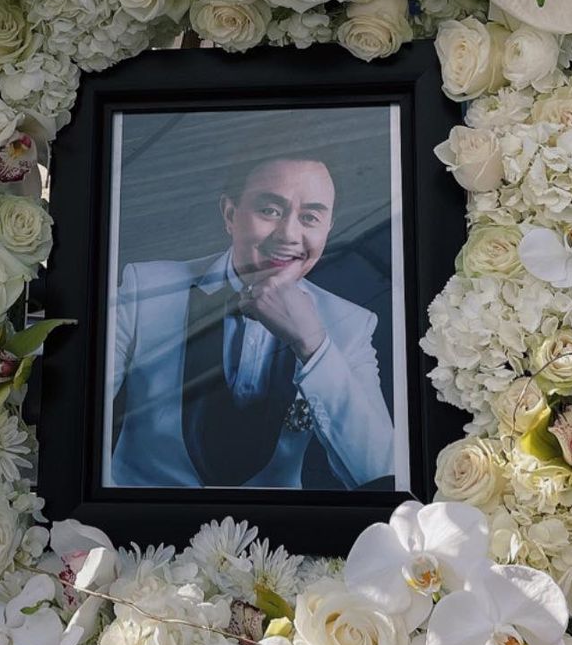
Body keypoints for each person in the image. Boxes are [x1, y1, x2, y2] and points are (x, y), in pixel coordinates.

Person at [110, 150, 393, 490]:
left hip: (276, 537)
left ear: (329, 227)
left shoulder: (350, 324)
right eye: (270, 210)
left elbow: (380, 471)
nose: (289, 234)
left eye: (310, 218)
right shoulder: (147, 288)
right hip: (138, 529)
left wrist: (313, 345)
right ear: (230, 214)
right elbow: (80, 418)